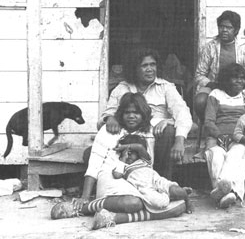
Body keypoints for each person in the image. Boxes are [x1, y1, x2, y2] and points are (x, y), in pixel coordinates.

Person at [51, 93, 188, 229]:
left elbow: (186, 122)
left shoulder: (150, 129)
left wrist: (169, 121)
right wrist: (84, 196)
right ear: (121, 114)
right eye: (127, 112)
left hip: (141, 179)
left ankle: (112, 217)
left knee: (179, 206)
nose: (131, 116)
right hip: (113, 176)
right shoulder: (109, 129)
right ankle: (83, 208)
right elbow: (94, 164)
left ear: (144, 114)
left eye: (136, 112)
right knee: (134, 203)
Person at [98, 48, 193, 180]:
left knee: (169, 131)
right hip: (129, 136)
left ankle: (163, 180)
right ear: (134, 68)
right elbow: (108, 113)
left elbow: (183, 114)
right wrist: (110, 117)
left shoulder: (165, 87)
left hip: (155, 137)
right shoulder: (122, 88)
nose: (150, 69)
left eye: (152, 64)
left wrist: (179, 140)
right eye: (144, 65)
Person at [194, 10, 245, 122]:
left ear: (236, 30)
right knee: (200, 101)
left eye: (228, 28)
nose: (224, 30)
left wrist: (244, 86)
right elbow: (199, 75)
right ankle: (208, 125)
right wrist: (212, 84)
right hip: (215, 86)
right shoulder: (210, 47)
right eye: (221, 26)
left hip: (238, 88)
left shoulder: (244, 49)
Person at [203, 63, 245, 209]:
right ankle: (232, 193)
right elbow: (209, 121)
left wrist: (239, 136)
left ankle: (221, 192)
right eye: (235, 78)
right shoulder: (216, 94)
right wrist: (219, 135)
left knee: (236, 155)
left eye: (242, 78)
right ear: (226, 80)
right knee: (216, 155)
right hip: (216, 136)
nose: (239, 81)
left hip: (239, 137)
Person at [112, 134, 193, 213]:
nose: (128, 155)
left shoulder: (145, 160)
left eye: (131, 152)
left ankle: (186, 198)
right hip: (144, 187)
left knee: (176, 190)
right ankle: (170, 196)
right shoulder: (123, 165)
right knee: (159, 203)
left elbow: (140, 147)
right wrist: (123, 159)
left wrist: (124, 147)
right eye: (126, 153)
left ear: (138, 153)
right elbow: (117, 175)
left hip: (157, 180)